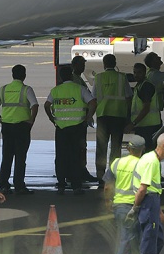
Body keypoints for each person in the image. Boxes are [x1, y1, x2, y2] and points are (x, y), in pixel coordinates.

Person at [127, 133, 164, 254]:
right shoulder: (152, 162)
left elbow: (151, 188)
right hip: (148, 204)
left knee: (158, 240)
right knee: (149, 245)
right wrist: (135, 208)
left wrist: (158, 211)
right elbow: (143, 189)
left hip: (152, 203)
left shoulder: (151, 158)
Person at [45, 65, 97, 195]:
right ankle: (76, 186)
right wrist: (88, 116)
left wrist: (52, 119)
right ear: (72, 75)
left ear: (61, 77)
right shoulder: (79, 89)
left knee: (61, 156)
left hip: (61, 128)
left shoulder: (56, 91)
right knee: (75, 156)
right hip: (77, 127)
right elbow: (92, 102)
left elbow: (47, 105)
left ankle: (61, 184)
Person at [0, 64, 38, 195]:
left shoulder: (4, 89)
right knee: (20, 157)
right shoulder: (26, 89)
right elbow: (35, 105)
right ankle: (19, 185)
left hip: (7, 126)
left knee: (7, 156)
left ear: (12, 74)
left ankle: (4, 184)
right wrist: (31, 120)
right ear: (24, 75)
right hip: (22, 127)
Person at [103, 134, 145, 254]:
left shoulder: (116, 163)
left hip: (120, 207)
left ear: (128, 148)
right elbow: (144, 189)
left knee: (126, 241)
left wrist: (108, 202)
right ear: (142, 150)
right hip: (135, 207)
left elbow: (108, 186)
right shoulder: (143, 165)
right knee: (131, 243)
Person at [94, 54, 133, 180]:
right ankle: (113, 174)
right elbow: (128, 98)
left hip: (102, 116)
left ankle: (100, 174)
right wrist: (129, 118)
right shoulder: (122, 77)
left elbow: (94, 98)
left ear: (104, 63)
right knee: (116, 147)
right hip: (118, 115)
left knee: (101, 146)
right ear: (115, 63)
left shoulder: (98, 78)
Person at [72, 55, 99, 183]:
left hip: (79, 118)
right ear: (75, 65)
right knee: (80, 147)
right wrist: (88, 116)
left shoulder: (78, 79)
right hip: (79, 119)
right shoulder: (76, 81)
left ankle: (78, 171)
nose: (83, 67)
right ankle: (80, 171)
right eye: (81, 64)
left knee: (79, 146)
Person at [125, 64, 160, 153]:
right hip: (142, 125)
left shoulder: (146, 86)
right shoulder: (139, 86)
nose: (136, 75)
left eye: (139, 73)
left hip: (148, 126)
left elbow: (146, 108)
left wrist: (133, 123)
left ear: (145, 73)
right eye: (135, 72)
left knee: (148, 152)